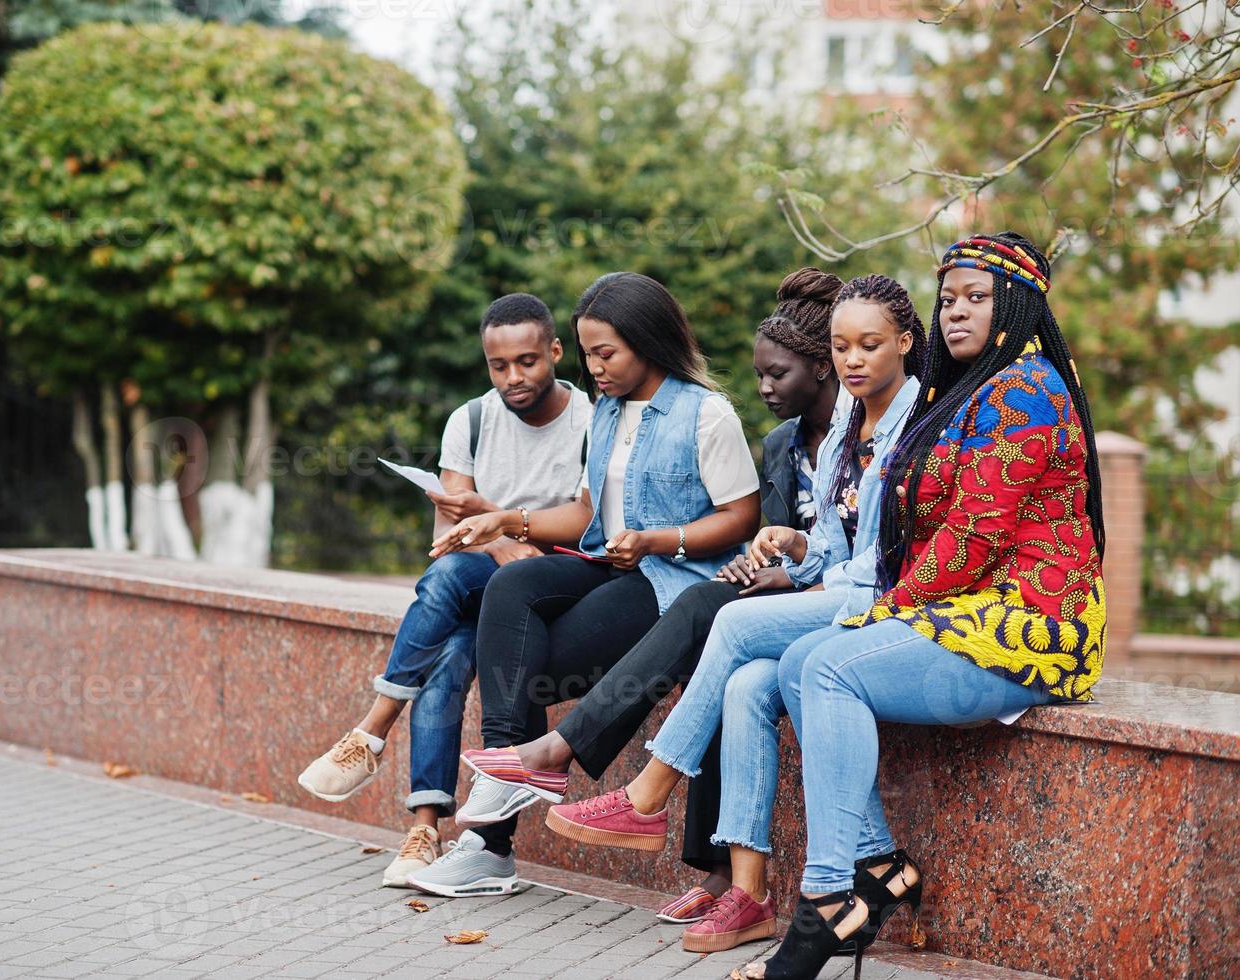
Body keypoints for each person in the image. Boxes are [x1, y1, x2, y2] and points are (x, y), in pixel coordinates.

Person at [429, 268, 846, 921]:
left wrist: (661, 539)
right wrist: (505, 520)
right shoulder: (604, 414)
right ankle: (506, 784)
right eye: (588, 352)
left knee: (543, 658)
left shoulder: (703, 412)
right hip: (610, 564)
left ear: (646, 342)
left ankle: (517, 791)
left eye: (605, 353)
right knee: (510, 583)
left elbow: (739, 518)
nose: (594, 367)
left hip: (671, 576)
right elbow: (588, 511)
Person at [752, 232, 1107, 980]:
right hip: (968, 614)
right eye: (946, 298)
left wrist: (882, 612)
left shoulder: (1024, 391)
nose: (955, 312)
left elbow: (971, 537)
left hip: (1034, 624)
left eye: (975, 298)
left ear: (1015, 303)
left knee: (827, 669)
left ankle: (824, 902)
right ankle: (877, 867)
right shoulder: (967, 392)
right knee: (793, 665)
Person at [547, 275, 927, 955]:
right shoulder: (846, 422)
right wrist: (796, 546)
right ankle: (748, 894)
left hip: (895, 602)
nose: (852, 359)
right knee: (746, 682)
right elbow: (836, 546)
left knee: (730, 622)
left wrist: (816, 582)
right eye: (842, 346)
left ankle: (648, 792)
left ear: (903, 342)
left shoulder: (919, 420)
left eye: (868, 345)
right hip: (843, 585)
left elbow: (881, 564)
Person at [296, 292, 592, 888]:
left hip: (556, 583)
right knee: (450, 652)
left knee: (453, 586)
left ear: (556, 351)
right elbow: (448, 535)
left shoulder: (591, 419)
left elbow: (589, 522)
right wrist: (500, 545)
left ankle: (374, 729)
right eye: (498, 365)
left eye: (528, 361)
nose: (514, 377)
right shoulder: (472, 419)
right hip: (486, 575)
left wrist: (505, 527)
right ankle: (426, 830)